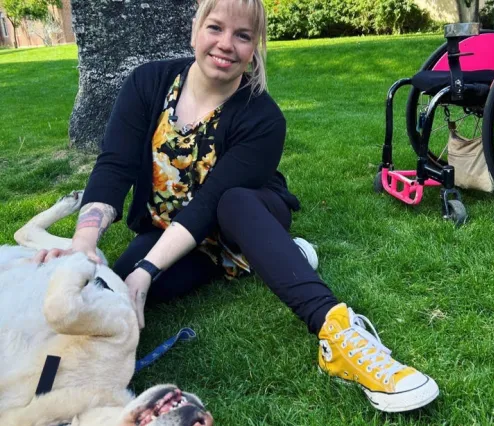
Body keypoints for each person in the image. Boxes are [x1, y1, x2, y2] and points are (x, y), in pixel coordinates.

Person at [45, 0, 439, 413]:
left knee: (227, 206)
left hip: (246, 213)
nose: (226, 44)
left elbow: (210, 204)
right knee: (115, 289)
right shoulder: (148, 83)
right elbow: (115, 164)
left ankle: (338, 333)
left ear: (256, 47)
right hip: (171, 235)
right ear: (196, 29)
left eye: (243, 35)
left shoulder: (263, 118)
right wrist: (84, 244)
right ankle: (266, 257)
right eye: (216, 28)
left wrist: (148, 269)